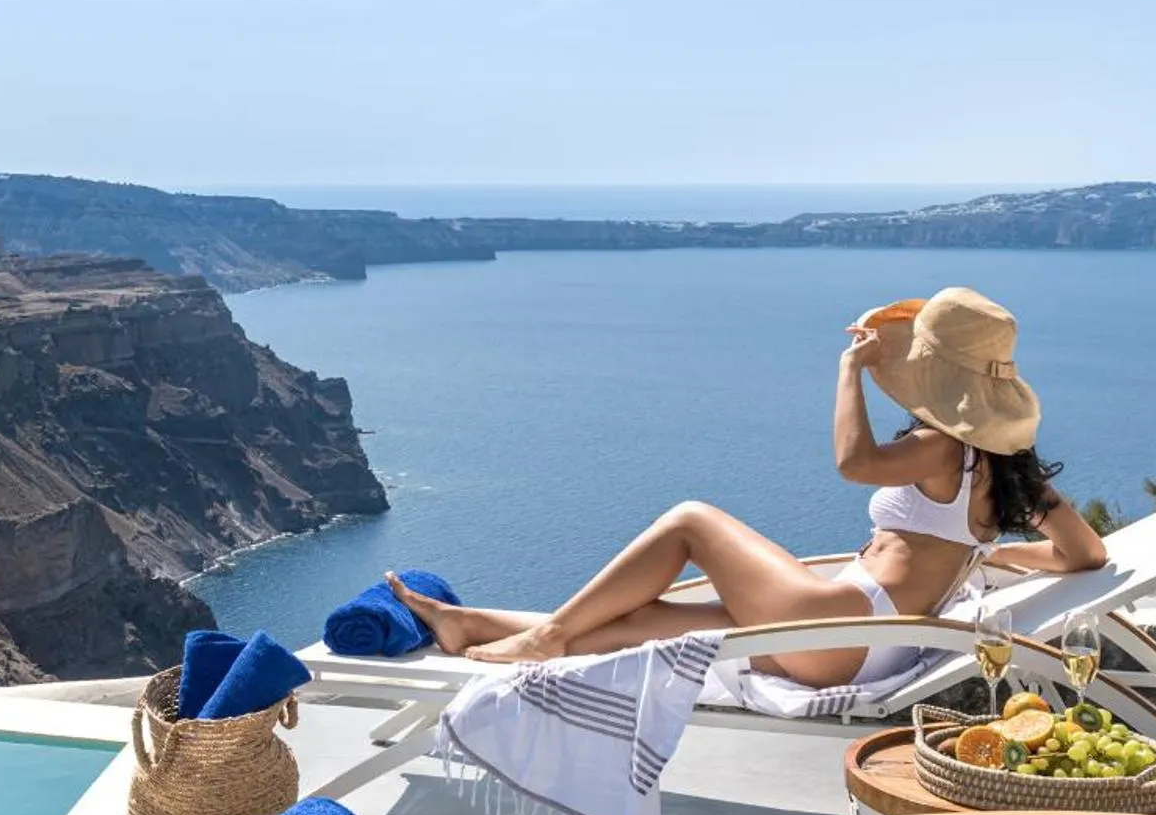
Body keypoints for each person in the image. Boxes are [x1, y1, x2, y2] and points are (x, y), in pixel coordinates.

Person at [390, 287, 1110, 688]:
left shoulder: (937, 446)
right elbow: (1086, 557)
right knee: (647, 623)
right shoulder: (1011, 475)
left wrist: (848, 371)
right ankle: (473, 624)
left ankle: (545, 634)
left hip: (839, 623)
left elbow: (854, 461)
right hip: (865, 643)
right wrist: (991, 556)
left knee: (691, 520)